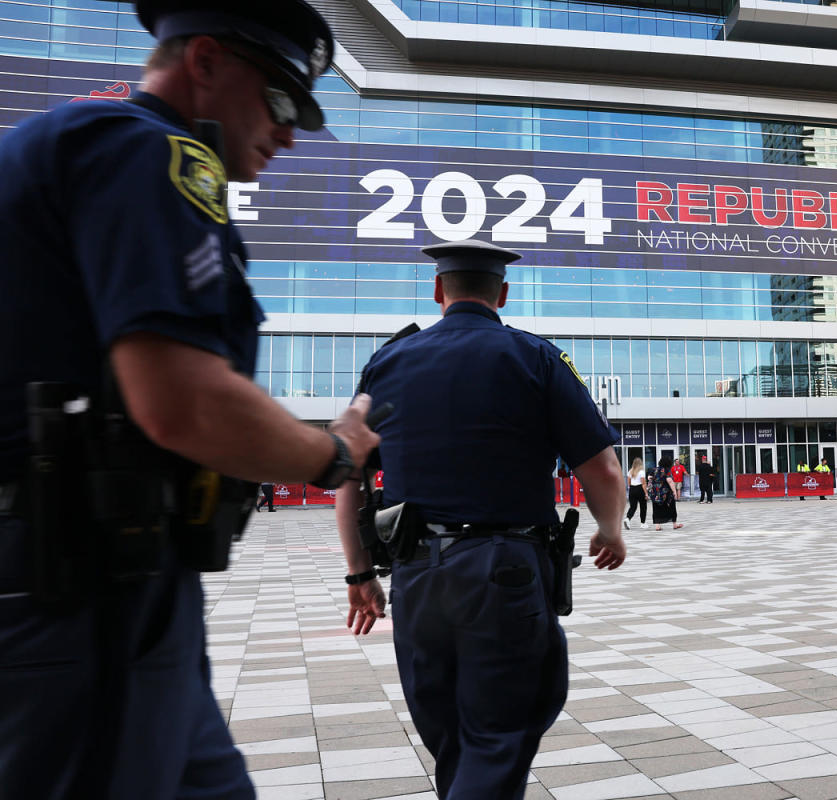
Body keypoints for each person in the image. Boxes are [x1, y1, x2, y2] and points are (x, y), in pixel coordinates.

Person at [0, 3, 384, 797]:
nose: (290, 132)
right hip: (77, 585)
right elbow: (183, 404)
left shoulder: (62, 147)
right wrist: (335, 452)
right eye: (280, 100)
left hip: (102, 578)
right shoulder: (149, 154)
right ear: (204, 61)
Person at [335, 239, 627, 799]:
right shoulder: (534, 357)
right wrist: (610, 529)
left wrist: (358, 575)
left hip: (416, 577)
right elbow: (605, 470)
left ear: (439, 290)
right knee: (497, 739)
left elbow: (348, 475)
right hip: (504, 576)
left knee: (452, 741)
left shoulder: (386, 363)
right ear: (504, 295)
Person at [649, 453, 684, 530]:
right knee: (671, 507)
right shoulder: (667, 470)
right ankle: (675, 524)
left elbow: (649, 477)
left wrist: (655, 479)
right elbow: (669, 481)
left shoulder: (654, 469)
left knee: (656, 508)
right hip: (666, 493)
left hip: (655, 493)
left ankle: (657, 526)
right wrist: (674, 491)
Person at [624, 457, 647, 529]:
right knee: (643, 506)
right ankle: (642, 523)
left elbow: (629, 483)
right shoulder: (641, 472)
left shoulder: (630, 471)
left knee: (633, 507)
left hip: (632, 489)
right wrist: (646, 493)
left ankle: (627, 518)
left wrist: (631, 489)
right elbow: (643, 483)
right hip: (640, 489)